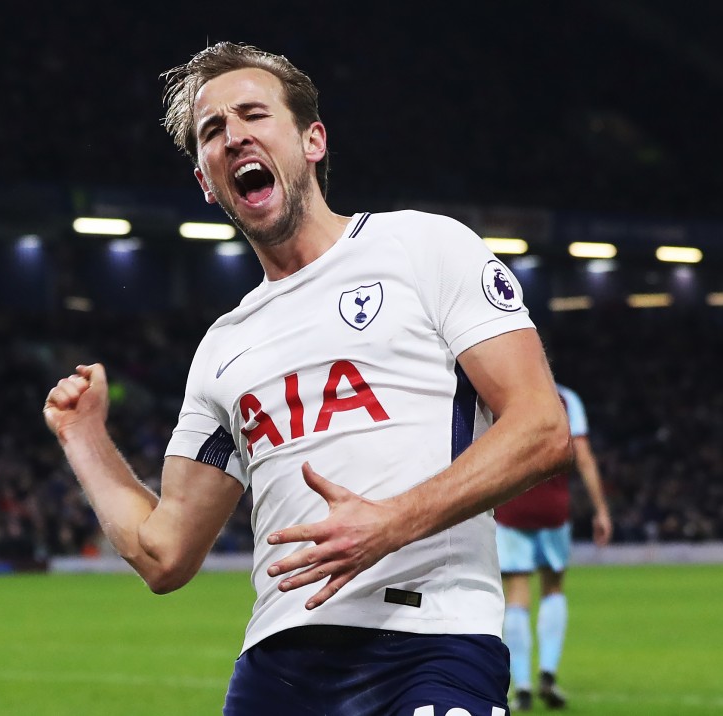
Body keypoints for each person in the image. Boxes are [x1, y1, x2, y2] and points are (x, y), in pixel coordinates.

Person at [43, 41, 572, 716]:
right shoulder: (223, 349)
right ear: (206, 182)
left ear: (312, 140)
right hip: (278, 669)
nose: (234, 137)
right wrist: (82, 436)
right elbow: (164, 552)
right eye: (213, 131)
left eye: (253, 115)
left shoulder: (424, 248)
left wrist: (391, 523)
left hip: (428, 640)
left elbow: (542, 427)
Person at [494, 383, 612, 711]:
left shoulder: (502, 393)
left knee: (517, 594)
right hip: (553, 508)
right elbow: (583, 457)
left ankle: (522, 687)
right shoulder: (566, 398)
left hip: (512, 506)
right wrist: (600, 509)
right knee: (554, 588)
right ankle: (548, 672)